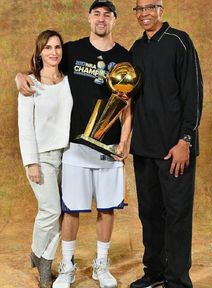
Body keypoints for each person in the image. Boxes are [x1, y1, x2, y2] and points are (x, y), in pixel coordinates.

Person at [16, 1, 132, 288]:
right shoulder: (73, 50)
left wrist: (125, 141)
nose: (101, 18)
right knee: (69, 210)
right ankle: (65, 266)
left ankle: (100, 266)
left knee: (106, 208)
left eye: (107, 14)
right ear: (89, 18)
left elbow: (129, 103)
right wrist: (19, 77)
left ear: (115, 20)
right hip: (73, 148)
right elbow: (43, 67)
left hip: (108, 148)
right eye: (96, 13)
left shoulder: (124, 56)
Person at [129, 1, 203, 288]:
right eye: (138, 9)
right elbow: (133, 98)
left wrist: (186, 139)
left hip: (175, 150)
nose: (144, 13)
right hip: (144, 148)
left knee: (177, 216)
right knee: (149, 214)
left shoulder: (179, 41)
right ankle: (155, 272)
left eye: (150, 7)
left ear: (161, 9)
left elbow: (194, 93)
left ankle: (177, 280)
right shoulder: (136, 49)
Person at [18, 30, 73, 288]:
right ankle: (40, 257)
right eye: (48, 48)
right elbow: (25, 127)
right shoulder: (30, 83)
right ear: (39, 52)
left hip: (68, 154)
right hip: (42, 156)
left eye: (57, 47)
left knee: (61, 212)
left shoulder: (67, 80)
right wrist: (32, 162)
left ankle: (43, 258)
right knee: (50, 210)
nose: (53, 52)